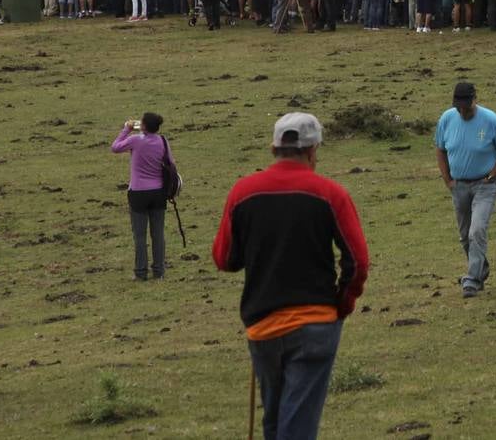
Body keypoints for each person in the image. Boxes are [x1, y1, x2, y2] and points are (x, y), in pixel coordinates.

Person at [212, 113, 369, 440]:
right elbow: (357, 262)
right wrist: (342, 304)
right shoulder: (330, 193)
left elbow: (225, 260)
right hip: (316, 324)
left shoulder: (243, 193)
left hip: (263, 328)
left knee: (275, 421)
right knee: (296, 426)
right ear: (313, 151)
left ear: (274, 149)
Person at [434, 82, 496, 298]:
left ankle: (471, 280)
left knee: (477, 230)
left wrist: (492, 175)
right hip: (458, 186)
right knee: (464, 236)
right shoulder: (447, 119)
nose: (462, 111)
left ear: (474, 99)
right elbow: (440, 149)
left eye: (466, 106)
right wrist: (448, 180)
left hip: (484, 186)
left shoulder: (491, 121)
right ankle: (481, 269)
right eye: (458, 106)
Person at [111, 113, 173, 281]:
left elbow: (115, 147)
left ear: (143, 126)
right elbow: (171, 164)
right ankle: (159, 271)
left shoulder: (136, 140)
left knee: (139, 235)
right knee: (158, 234)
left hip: (138, 193)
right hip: (158, 193)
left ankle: (141, 272)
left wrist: (126, 129)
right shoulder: (163, 141)